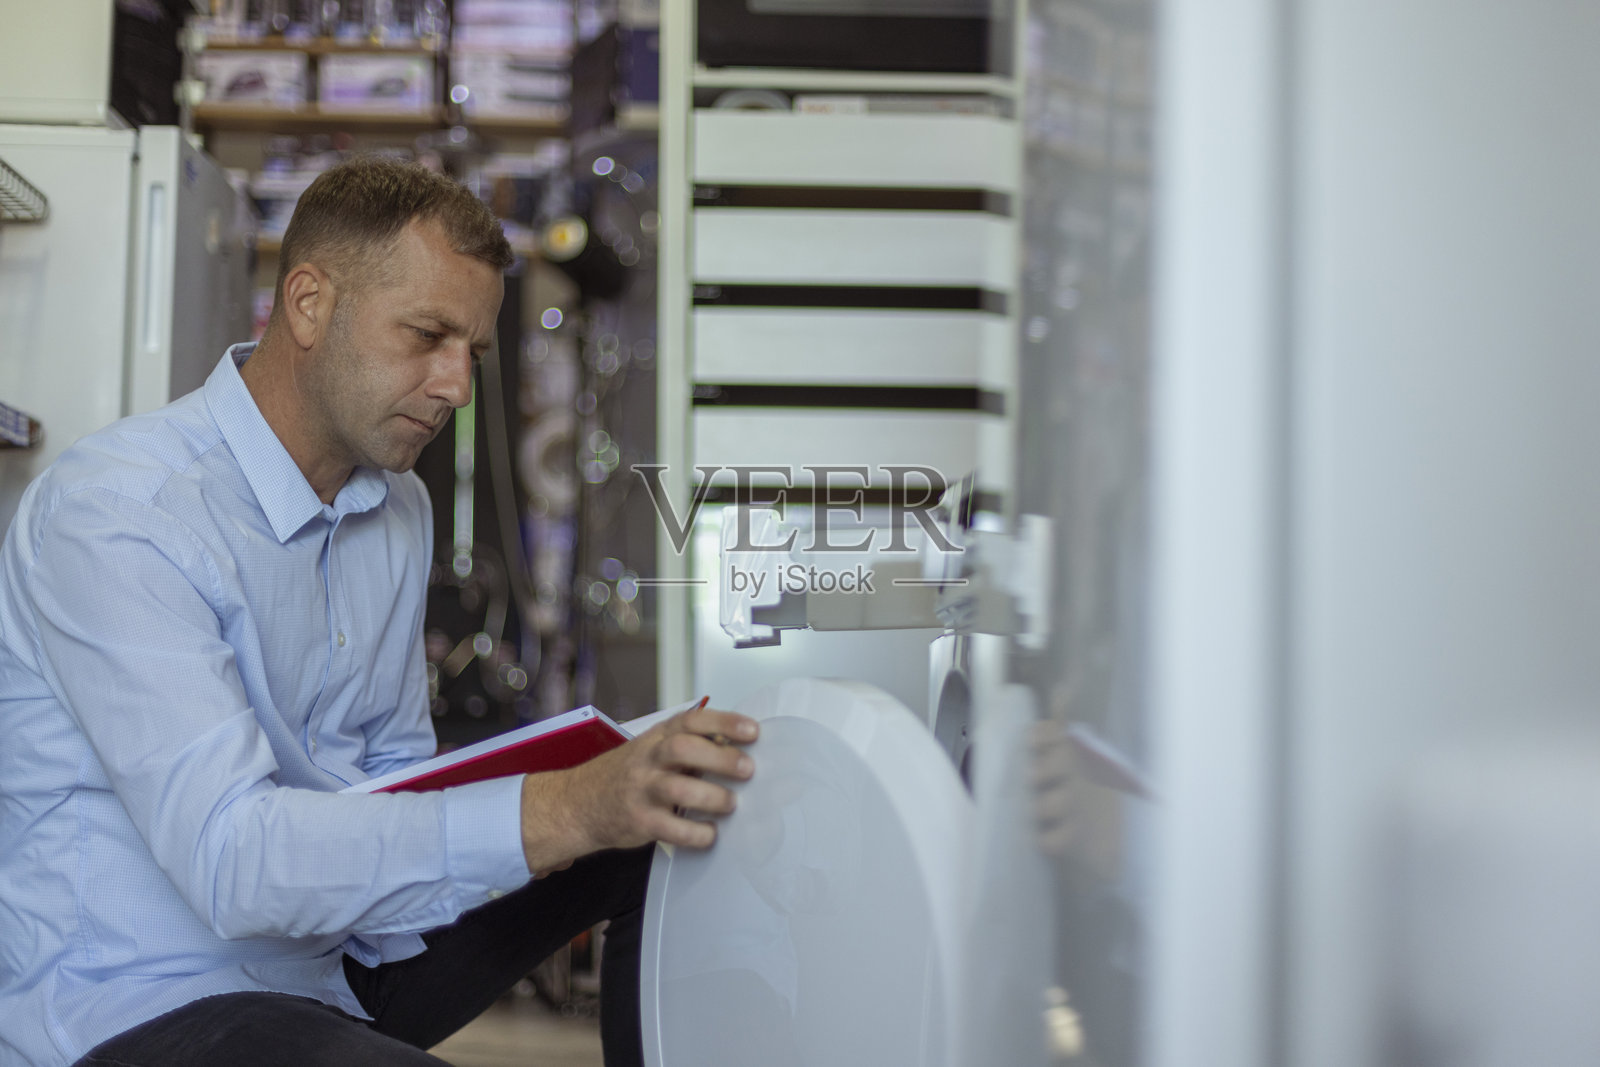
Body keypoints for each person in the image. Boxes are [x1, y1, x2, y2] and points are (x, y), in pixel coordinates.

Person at [0, 156, 758, 1067]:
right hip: (143, 1002)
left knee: (661, 820)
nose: (457, 388)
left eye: (470, 350)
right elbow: (234, 862)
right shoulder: (121, 514)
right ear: (310, 304)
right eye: (427, 335)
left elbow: (395, 771)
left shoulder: (395, 506)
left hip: (331, 962)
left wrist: (600, 797)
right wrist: (558, 807)